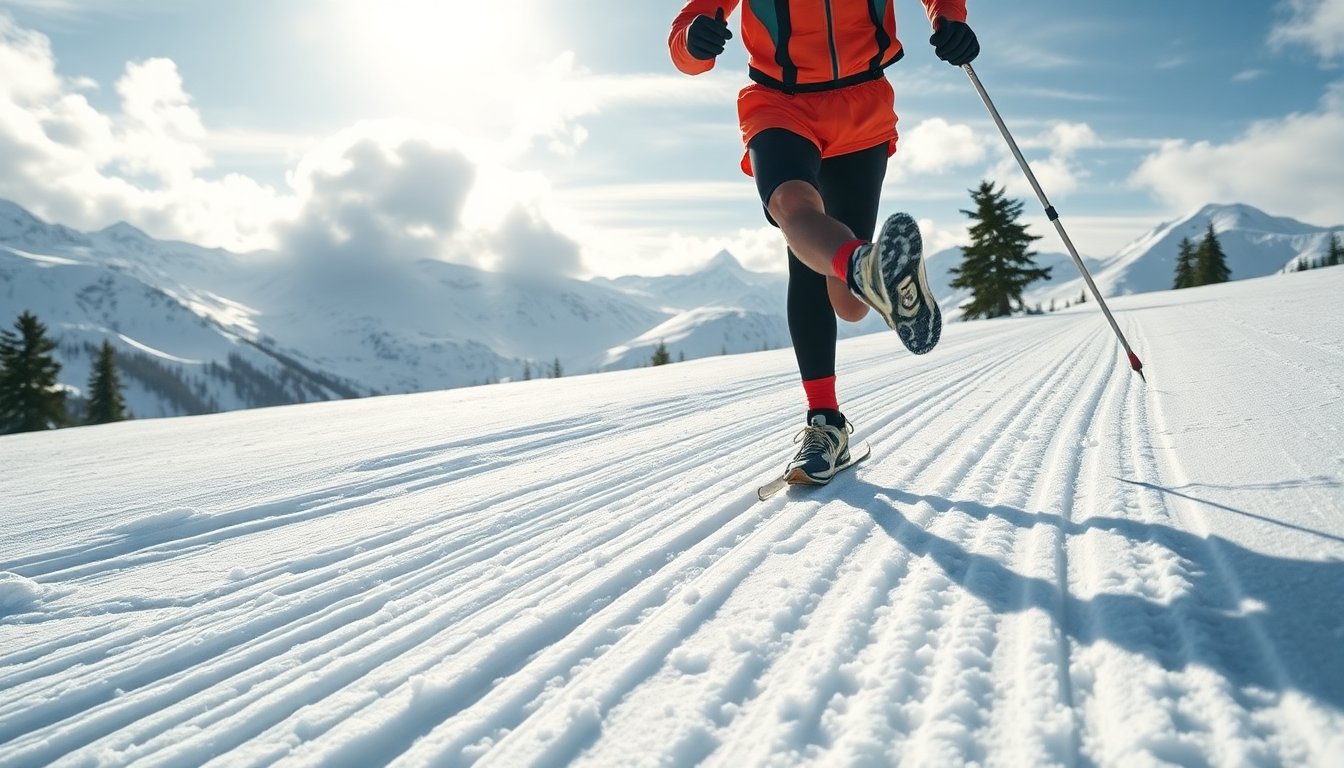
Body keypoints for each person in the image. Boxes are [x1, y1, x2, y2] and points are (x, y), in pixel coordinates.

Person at [668, 1, 979, 486]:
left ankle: (865, 272)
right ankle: (825, 422)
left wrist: (949, 19)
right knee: (793, 211)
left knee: (849, 305)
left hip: (862, 109)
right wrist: (693, 42)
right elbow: (686, 37)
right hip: (778, 103)